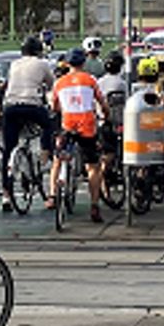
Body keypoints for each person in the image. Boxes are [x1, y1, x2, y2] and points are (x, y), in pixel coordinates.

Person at [50, 48, 109, 223]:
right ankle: (94, 205)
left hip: (67, 126)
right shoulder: (90, 80)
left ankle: (53, 195)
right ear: (83, 63)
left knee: (58, 160)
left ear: (67, 64)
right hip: (87, 127)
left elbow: (54, 106)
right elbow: (102, 102)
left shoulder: (59, 83)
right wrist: (106, 115)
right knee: (93, 167)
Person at [0, 36, 56, 213]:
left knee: (8, 150)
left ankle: (6, 195)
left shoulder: (15, 64)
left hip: (10, 107)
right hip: (32, 106)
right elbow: (52, 85)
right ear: (39, 51)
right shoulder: (42, 64)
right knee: (48, 126)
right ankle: (45, 153)